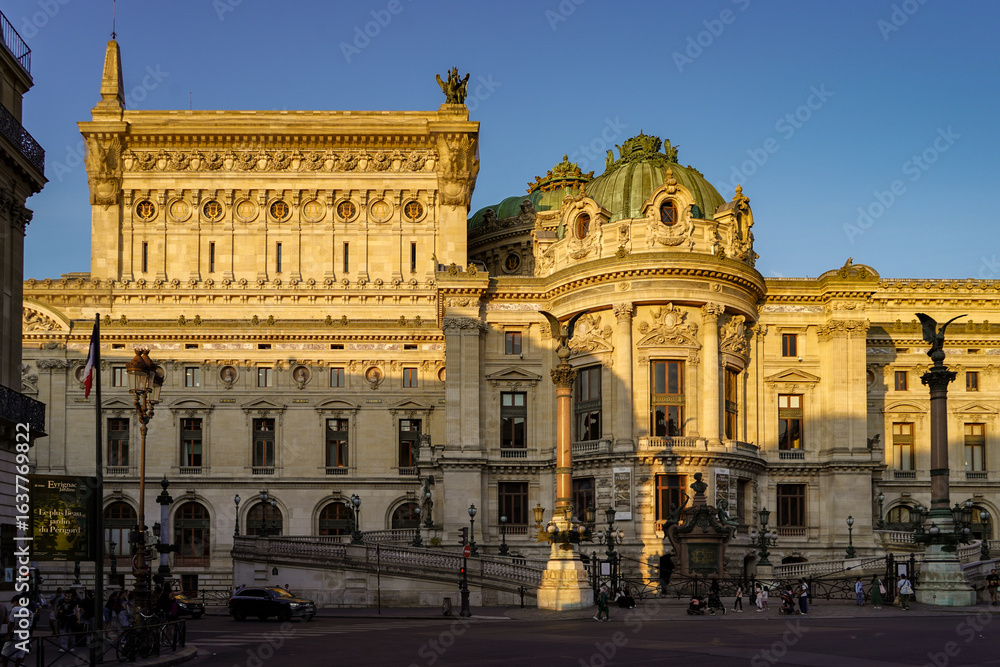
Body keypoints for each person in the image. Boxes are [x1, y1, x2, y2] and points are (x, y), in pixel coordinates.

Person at [1, 595, 33, 667]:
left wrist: (8, 635)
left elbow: (11, 623)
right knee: (20, 655)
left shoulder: (15, 609)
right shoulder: (30, 612)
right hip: (24, 635)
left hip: (14, 635)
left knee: (4, 653)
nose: (13, 605)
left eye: (13, 603)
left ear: (16, 602)